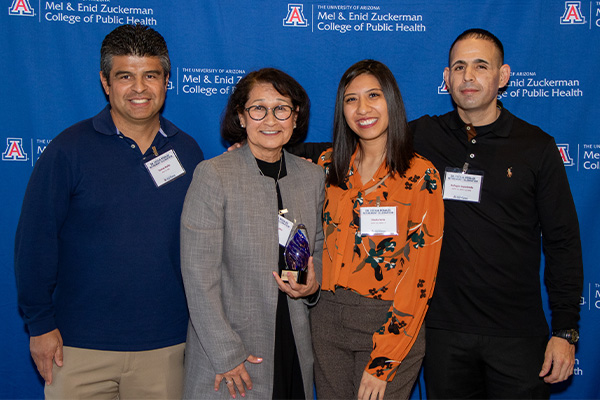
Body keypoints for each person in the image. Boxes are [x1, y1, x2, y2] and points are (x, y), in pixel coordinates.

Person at [14, 24, 204, 399]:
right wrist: (39, 325)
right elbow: (35, 241)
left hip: (166, 347)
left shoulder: (189, 153)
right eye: (124, 76)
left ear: (167, 81)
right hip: (77, 349)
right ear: (105, 82)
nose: (139, 88)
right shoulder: (68, 150)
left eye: (150, 75)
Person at [410, 29, 584, 398]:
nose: (468, 76)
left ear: (503, 76)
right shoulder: (422, 136)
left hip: (518, 335)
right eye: (459, 67)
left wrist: (565, 330)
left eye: (480, 65)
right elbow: (352, 147)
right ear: (446, 78)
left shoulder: (536, 147)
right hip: (443, 333)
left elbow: (563, 242)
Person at [180, 68, 324, 399]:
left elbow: (318, 248)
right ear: (241, 118)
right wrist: (226, 354)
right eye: (258, 108)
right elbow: (198, 276)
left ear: (295, 116)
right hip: (234, 354)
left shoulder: (312, 177)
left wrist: (313, 285)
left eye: (282, 108)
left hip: (292, 342)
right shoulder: (214, 175)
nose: (270, 119)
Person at [309, 60, 444, 400]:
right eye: (351, 99)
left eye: (373, 95)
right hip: (326, 317)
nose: (363, 108)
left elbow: (420, 277)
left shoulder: (419, 175)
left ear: (392, 103)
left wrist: (386, 358)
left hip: (386, 322)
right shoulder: (327, 167)